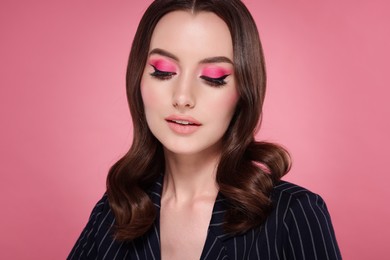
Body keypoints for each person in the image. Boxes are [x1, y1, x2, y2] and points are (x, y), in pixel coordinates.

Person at [68, 0, 342, 259]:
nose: (183, 97)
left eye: (213, 78)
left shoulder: (292, 213)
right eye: (163, 71)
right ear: (137, 78)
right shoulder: (115, 210)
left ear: (243, 91)